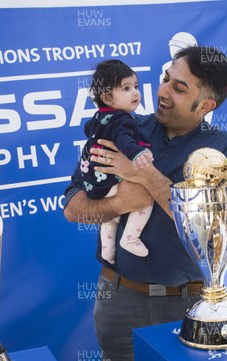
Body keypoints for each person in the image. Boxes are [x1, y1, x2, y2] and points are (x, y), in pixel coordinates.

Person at [63, 46, 227, 361]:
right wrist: (122, 202)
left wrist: (142, 173)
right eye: (166, 78)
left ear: (206, 106)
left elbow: (212, 225)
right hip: (119, 299)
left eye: (179, 88)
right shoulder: (123, 126)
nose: (163, 90)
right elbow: (73, 209)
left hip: (190, 305)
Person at [79, 59, 154, 263]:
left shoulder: (98, 117)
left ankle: (107, 250)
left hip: (93, 183)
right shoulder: (123, 119)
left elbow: (88, 129)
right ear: (107, 97)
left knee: (111, 219)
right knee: (145, 198)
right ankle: (131, 237)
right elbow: (123, 139)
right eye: (127, 88)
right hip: (110, 179)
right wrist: (137, 154)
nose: (136, 93)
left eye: (136, 87)